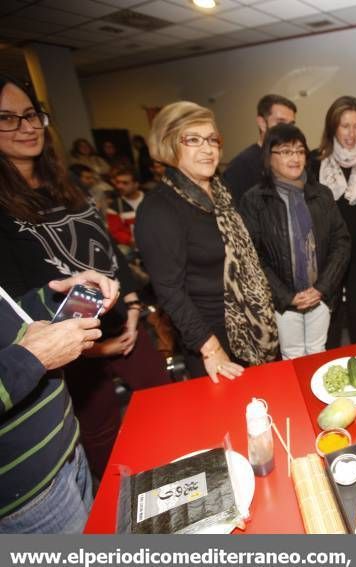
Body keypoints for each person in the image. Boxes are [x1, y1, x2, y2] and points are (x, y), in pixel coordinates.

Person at [0, 75, 169, 478]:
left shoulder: (67, 183)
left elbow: (109, 249)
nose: (26, 127)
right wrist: (93, 348)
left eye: (31, 115)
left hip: (122, 322)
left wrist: (132, 307)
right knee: (104, 439)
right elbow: (18, 308)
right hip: (68, 347)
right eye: (8, 119)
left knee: (166, 403)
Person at [136, 101, 279, 380]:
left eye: (212, 139)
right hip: (210, 338)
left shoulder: (220, 190)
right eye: (193, 140)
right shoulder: (159, 209)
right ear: (168, 144)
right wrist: (212, 349)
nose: (208, 148)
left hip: (252, 326)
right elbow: (170, 292)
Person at [0, 270, 119, 533]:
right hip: (26, 495)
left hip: (66, 451)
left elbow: (8, 324)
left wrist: (58, 301)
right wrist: (33, 357)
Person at [241, 124, 350, 359]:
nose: (295, 158)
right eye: (286, 151)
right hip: (282, 300)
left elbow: (341, 242)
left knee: (317, 352)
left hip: (319, 294)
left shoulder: (321, 194)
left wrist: (322, 288)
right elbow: (252, 256)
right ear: (269, 157)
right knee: (292, 356)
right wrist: (285, 296)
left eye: (300, 151)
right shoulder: (255, 200)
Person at [309, 96, 356, 348]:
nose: (351, 133)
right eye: (345, 126)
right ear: (333, 127)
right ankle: (330, 360)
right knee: (330, 311)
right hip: (327, 250)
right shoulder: (316, 162)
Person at [223, 94, 297, 207]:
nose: (288, 130)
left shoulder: (296, 162)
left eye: (291, 124)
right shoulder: (241, 166)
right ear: (262, 123)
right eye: (280, 123)